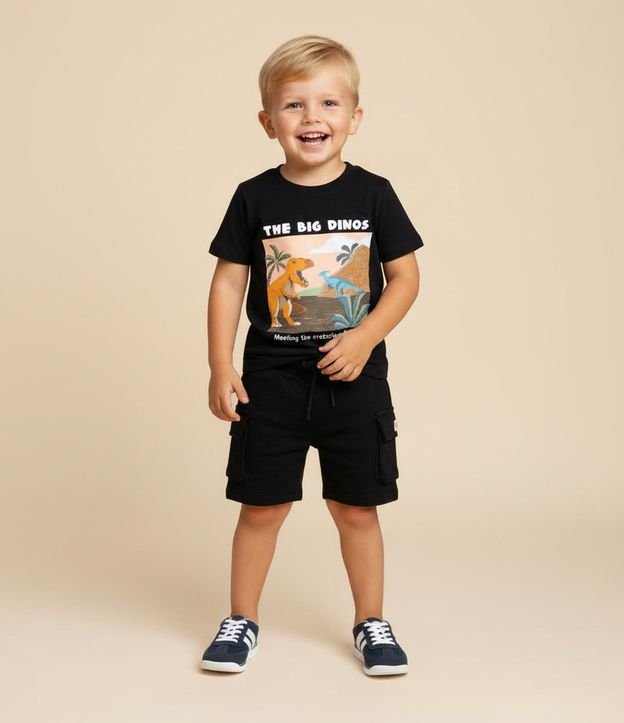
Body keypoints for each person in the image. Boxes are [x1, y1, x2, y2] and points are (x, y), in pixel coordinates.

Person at [201, 35, 424, 677]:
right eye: (293, 105)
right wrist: (221, 365)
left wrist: (365, 336)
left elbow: (405, 279)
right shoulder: (254, 197)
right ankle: (241, 620)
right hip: (271, 383)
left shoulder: (375, 194)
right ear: (268, 122)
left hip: (355, 381)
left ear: (355, 117)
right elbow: (228, 283)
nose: (311, 117)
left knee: (356, 508)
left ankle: (371, 622)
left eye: (328, 103)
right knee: (261, 507)